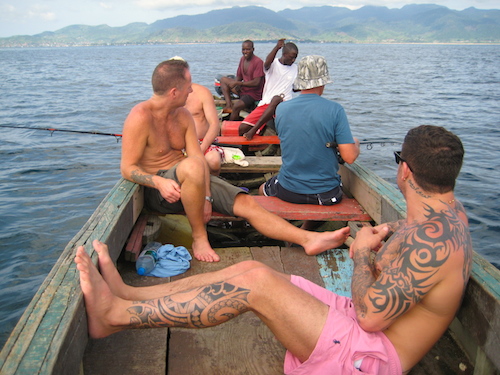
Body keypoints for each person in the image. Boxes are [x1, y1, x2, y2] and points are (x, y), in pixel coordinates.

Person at [76, 125, 472, 374]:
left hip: (370, 356)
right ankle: (130, 295)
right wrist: (367, 239)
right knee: (250, 271)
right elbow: (405, 250)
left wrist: (365, 255)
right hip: (362, 327)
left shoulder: (434, 239)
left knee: (258, 284)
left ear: (403, 169)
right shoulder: (446, 219)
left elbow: (370, 317)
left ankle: (115, 316)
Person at [120, 58, 350, 263]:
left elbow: (197, 159)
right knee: (190, 165)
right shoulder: (140, 117)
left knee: (247, 202)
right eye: (188, 86)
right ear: (173, 91)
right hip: (159, 189)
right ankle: (200, 238)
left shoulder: (183, 116)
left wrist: (206, 195)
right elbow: (127, 168)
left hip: (191, 177)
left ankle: (307, 239)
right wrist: (158, 182)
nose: (192, 90)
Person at [260, 55, 360, 230]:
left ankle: (280, 229)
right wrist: (355, 144)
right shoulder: (335, 110)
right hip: (327, 195)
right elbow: (349, 157)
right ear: (323, 82)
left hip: (287, 190)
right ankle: (303, 231)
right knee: (326, 196)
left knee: (263, 189)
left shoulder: (282, 108)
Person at [239, 39, 299, 140]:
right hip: (267, 103)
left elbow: (296, 88)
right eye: (291, 57)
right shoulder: (273, 64)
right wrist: (276, 47)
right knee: (242, 128)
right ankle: (246, 150)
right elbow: (266, 63)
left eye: (295, 58)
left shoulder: (296, 69)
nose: (293, 60)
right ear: (284, 54)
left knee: (277, 99)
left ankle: (254, 130)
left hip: (285, 105)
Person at [219, 40, 265, 120]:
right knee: (223, 80)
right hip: (243, 89)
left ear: (253, 49)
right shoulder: (242, 59)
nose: (245, 52)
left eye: (248, 49)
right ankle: (229, 105)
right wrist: (236, 84)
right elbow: (239, 76)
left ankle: (230, 125)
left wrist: (239, 83)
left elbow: (256, 82)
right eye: (243, 49)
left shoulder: (258, 62)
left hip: (253, 94)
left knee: (237, 106)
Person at [184, 81, 223, 175]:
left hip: (202, 142)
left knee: (214, 161)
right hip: (178, 145)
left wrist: (202, 148)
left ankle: (212, 185)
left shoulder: (202, 92)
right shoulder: (166, 94)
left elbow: (214, 124)